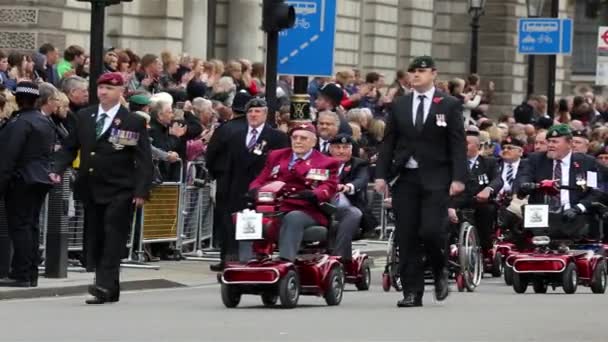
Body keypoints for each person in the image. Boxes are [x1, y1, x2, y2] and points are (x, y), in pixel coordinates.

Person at [50, 72, 153, 304]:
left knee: (113, 235)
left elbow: (143, 159)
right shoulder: (85, 117)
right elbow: (70, 147)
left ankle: (103, 285)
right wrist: (56, 168)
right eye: (101, 88)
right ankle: (110, 286)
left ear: (120, 92)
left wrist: (141, 191)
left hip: (120, 188)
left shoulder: (132, 121)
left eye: (109, 88)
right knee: (96, 235)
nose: (104, 92)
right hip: (91, 187)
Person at [374, 56, 467, 308]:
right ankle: (412, 291)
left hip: (437, 177)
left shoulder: (448, 104)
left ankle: (439, 270)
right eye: (412, 71)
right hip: (406, 176)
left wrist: (458, 177)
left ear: (433, 74)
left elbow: (457, 143)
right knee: (407, 235)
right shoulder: (400, 104)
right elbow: (389, 142)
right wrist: (381, 175)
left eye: (421, 71)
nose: (415, 75)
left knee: (431, 231)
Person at [248, 123, 339, 262]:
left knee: (293, 217)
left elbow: (329, 186)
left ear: (313, 142)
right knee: (246, 217)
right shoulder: (276, 156)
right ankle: (250, 259)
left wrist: (315, 194)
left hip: (307, 209)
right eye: (295, 137)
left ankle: (285, 261)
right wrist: (254, 190)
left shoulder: (326, 162)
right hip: (276, 206)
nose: (298, 141)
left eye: (303, 138)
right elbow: (260, 179)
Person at [0, 82, 57, 287]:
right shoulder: (45, 121)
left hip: (21, 179)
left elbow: (8, 156)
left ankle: (21, 273)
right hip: (40, 178)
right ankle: (30, 273)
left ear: (18, 99)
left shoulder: (19, 123)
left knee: (21, 226)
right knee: (31, 225)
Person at [221, 98, 288, 269]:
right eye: (250, 111)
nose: (253, 114)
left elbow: (281, 166)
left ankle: (260, 258)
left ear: (265, 114)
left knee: (262, 226)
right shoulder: (235, 136)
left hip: (264, 191)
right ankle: (242, 261)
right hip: (239, 188)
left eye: (257, 111)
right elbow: (228, 164)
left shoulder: (277, 137)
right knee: (240, 224)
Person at [516, 124, 601, 238]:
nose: (550, 145)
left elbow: (595, 191)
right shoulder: (535, 159)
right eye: (549, 141)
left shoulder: (587, 162)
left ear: (570, 143)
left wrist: (578, 208)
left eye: (555, 142)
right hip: (540, 214)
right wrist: (525, 185)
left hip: (574, 215)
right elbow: (524, 177)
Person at [206, 90, 252, 271]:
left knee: (227, 219)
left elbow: (211, 154)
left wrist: (214, 173)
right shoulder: (253, 130)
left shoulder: (225, 129)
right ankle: (246, 256)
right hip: (250, 181)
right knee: (249, 218)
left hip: (226, 180)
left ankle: (228, 257)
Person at [448, 126, 502, 261]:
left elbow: (498, 179)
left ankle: (485, 248)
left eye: (466, 143)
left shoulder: (489, 162)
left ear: (477, 146)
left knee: (487, 210)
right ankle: (450, 248)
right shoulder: (452, 163)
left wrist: (488, 189)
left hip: (480, 202)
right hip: (456, 201)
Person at [328, 134, 369, 260]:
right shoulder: (321, 162)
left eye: (345, 147)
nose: (341, 151)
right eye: (337, 147)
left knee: (354, 213)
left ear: (351, 150)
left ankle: (338, 258)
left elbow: (361, 180)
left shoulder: (359, 164)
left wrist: (347, 187)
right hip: (322, 206)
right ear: (330, 149)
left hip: (349, 207)